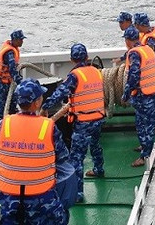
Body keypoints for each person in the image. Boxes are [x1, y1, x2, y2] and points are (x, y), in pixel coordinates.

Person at [0, 78, 71, 225]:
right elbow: (62, 158)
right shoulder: (48, 126)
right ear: (37, 103)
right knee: (61, 217)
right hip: (40, 195)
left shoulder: (3, 124)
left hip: (9, 195)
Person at [42, 43, 105, 204]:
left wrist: (44, 106)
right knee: (96, 144)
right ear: (87, 57)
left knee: (77, 158)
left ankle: (77, 193)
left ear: (72, 59)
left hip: (83, 122)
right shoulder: (96, 72)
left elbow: (60, 93)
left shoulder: (75, 76)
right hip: (99, 118)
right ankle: (99, 169)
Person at [121, 26, 155, 167]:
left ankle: (145, 156)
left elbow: (134, 74)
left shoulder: (134, 53)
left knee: (145, 125)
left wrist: (126, 93)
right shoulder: (148, 49)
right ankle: (144, 146)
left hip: (143, 95)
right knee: (143, 123)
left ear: (128, 40)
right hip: (152, 92)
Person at [0, 29, 25, 119]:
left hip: (7, 81)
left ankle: (12, 121)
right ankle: (1, 127)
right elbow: (12, 70)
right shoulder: (9, 53)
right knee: (2, 106)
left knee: (13, 102)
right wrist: (22, 83)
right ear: (15, 40)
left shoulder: (12, 48)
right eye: (21, 39)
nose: (22, 41)